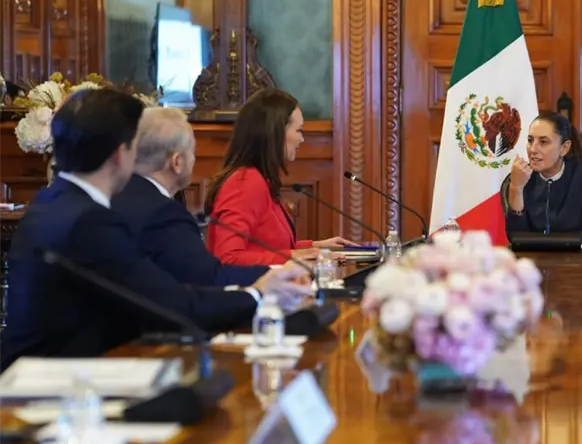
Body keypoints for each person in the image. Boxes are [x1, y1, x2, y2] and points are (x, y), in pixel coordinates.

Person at [0, 89, 310, 371]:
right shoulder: (90, 222)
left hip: (44, 370)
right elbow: (173, 305)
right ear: (121, 154)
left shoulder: (51, 202)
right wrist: (258, 294)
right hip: (52, 384)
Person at [111, 107, 268, 287]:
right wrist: (275, 274)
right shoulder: (164, 215)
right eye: (192, 151)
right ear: (177, 162)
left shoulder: (113, 195)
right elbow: (207, 279)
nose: (194, 159)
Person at [204, 88, 350, 265]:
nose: (302, 139)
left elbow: (268, 248)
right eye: (299, 130)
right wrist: (296, 255)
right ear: (276, 132)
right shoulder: (245, 182)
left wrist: (314, 246)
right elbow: (228, 258)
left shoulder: (260, 178)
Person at [505, 111, 582, 244]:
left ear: (564, 148)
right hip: (534, 257)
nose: (533, 149)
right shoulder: (522, 176)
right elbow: (516, 239)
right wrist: (516, 188)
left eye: (543, 142)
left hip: (576, 257)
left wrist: (553, 244)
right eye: (530, 140)